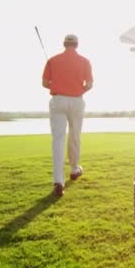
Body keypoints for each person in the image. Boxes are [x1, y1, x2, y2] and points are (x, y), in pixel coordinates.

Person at [42, 34, 93, 197]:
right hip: (77, 101)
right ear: (76, 45)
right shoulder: (85, 61)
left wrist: (56, 85)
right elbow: (90, 84)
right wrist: (78, 90)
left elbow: (44, 83)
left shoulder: (53, 60)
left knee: (58, 140)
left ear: (64, 44)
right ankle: (74, 169)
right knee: (75, 136)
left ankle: (58, 181)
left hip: (58, 100)